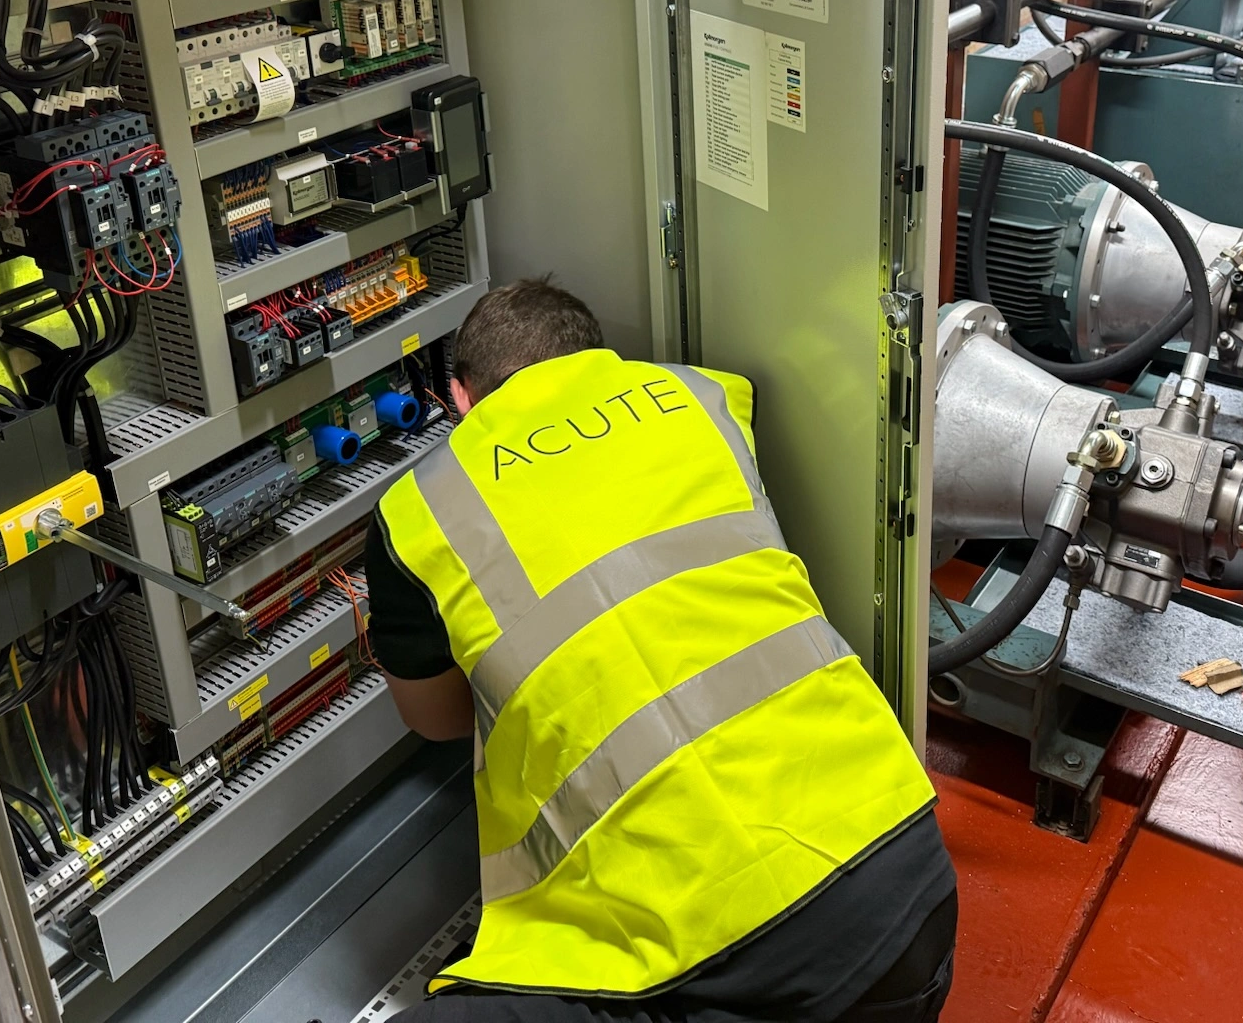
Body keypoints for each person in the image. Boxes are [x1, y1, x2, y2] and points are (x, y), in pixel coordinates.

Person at [366, 277, 957, 1021]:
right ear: (597, 358)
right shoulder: (704, 403)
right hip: (909, 890)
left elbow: (437, 720)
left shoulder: (419, 511)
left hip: (719, 966)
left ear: (459, 399)